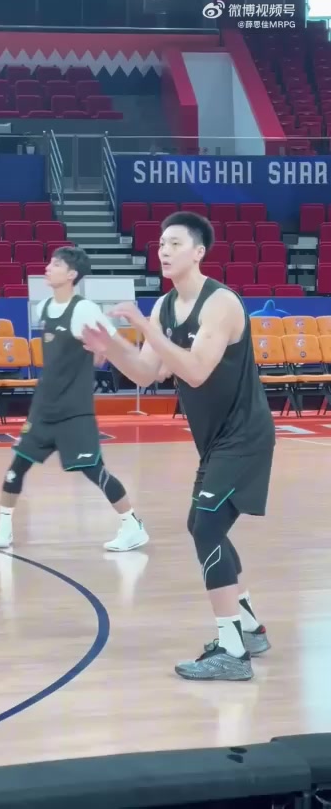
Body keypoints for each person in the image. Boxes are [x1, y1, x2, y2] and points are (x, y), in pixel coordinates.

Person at [82, 212, 275, 681]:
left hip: (245, 435)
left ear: (198, 252)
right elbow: (147, 373)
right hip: (216, 441)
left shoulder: (220, 303)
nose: (163, 250)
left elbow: (194, 371)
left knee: (207, 527)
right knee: (202, 525)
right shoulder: (166, 307)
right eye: (160, 243)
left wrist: (146, 329)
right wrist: (113, 347)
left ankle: (233, 650)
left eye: (173, 243)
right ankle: (249, 627)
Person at [0, 245, 149, 553]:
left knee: (94, 470)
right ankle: (4, 528)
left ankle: (132, 525)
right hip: (43, 409)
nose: (48, 268)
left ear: (72, 274)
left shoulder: (85, 309)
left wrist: (102, 353)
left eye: (55, 264)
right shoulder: (44, 307)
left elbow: (114, 348)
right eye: (49, 263)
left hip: (74, 410)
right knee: (16, 468)